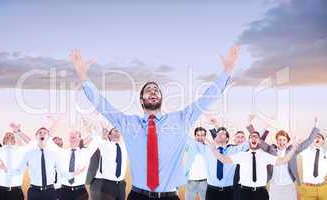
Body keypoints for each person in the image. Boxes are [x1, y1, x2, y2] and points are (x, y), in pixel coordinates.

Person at [71, 45, 239, 199]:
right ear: (141, 100)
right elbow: (102, 104)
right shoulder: (128, 123)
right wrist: (82, 76)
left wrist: (227, 71)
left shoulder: (181, 119)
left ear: (161, 98)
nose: (153, 91)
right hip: (138, 195)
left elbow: (207, 98)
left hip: (169, 196)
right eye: (148, 90)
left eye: (156, 90)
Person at [0, 127, 85, 200]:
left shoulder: (53, 154)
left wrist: (74, 174)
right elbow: (19, 171)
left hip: (50, 191)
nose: (42, 134)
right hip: (34, 191)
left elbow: (62, 172)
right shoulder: (29, 153)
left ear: (48, 137)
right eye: (40, 133)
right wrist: (6, 169)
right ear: (36, 137)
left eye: (45, 133)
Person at [210, 131, 299, 200]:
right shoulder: (242, 155)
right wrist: (214, 151)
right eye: (251, 137)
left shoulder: (265, 155)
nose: (254, 138)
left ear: (259, 141)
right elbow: (224, 160)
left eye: (256, 137)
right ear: (248, 140)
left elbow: (283, 161)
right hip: (244, 192)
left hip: (261, 192)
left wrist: (294, 148)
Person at [259, 118, 320, 200]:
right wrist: (267, 128)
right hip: (274, 186)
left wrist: (316, 125)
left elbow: (309, 141)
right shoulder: (270, 150)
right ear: (276, 141)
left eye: (284, 140)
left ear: (287, 141)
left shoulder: (293, 150)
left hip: (289, 186)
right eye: (279, 140)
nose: (282, 142)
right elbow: (258, 141)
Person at [203, 127, 249, 200]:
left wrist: (248, 123)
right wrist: (210, 126)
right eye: (218, 133)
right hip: (211, 191)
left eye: (223, 133)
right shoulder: (207, 149)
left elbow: (250, 142)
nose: (220, 134)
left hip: (228, 191)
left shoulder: (234, 150)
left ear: (227, 138)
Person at [299, 129, 327, 200]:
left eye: (319, 137)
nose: (317, 138)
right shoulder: (305, 151)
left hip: (323, 188)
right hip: (308, 189)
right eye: (315, 137)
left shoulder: (326, 153)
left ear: (323, 141)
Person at [184, 127, 208, 200]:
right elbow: (183, 136)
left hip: (205, 181)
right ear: (194, 136)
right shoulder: (189, 145)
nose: (200, 137)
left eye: (202, 135)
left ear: (205, 136)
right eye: (198, 135)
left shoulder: (208, 148)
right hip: (191, 181)